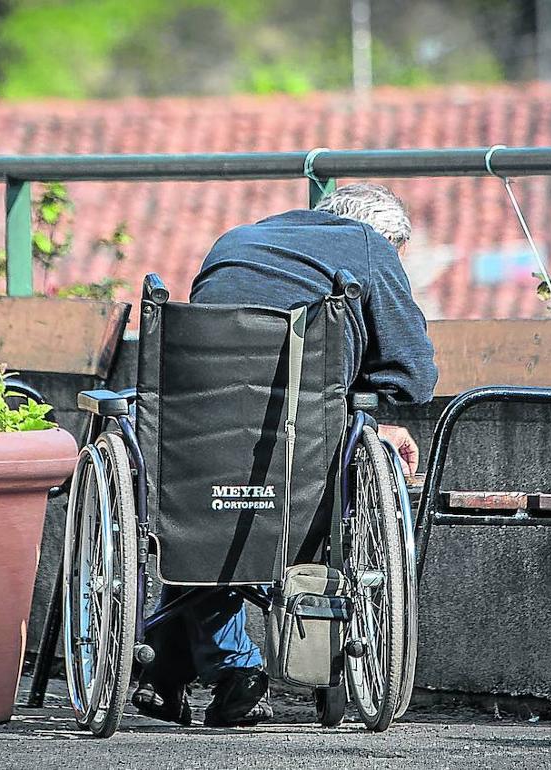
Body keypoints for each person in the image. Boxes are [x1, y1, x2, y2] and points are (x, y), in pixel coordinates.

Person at [132, 182, 438, 728]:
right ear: (389, 238)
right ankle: (216, 669)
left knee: (207, 523)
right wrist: (358, 414)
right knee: (285, 495)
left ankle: (193, 667)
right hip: (303, 462)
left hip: (196, 454)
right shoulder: (371, 246)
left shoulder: (233, 241)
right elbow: (412, 374)